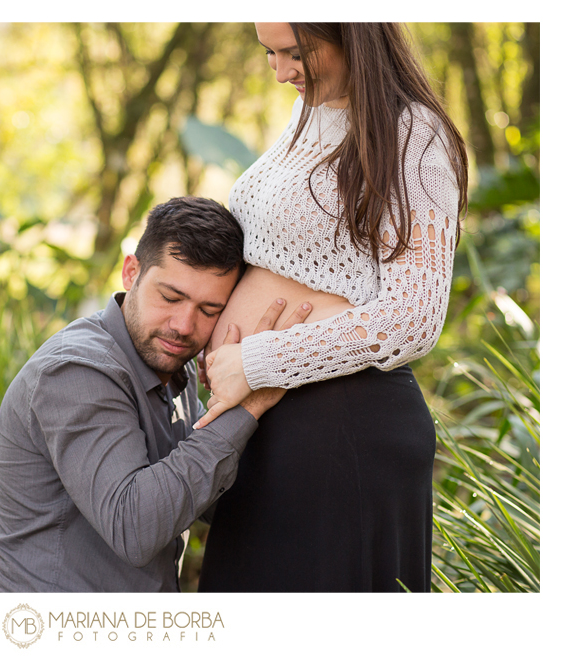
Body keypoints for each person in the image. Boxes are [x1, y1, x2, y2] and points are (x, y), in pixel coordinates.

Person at [195, 23, 469, 592]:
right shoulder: (307, 113)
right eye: (268, 52)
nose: (280, 71)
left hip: (345, 430)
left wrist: (258, 361)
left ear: (355, 36)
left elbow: (412, 317)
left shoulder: (414, 135)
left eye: (297, 53)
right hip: (269, 426)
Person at [0, 196, 311, 592]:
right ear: (131, 273)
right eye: (170, 297)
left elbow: (204, 497)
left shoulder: (175, 366)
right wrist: (249, 406)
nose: (184, 325)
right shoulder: (76, 372)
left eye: (209, 310)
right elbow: (135, 527)